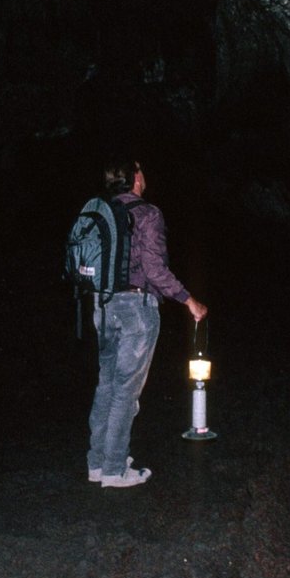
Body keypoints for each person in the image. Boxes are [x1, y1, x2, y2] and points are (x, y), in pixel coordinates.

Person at [87, 157, 207, 488]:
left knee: (107, 385)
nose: (144, 174)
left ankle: (97, 463)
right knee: (126, 391)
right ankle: (114, 469)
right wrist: (188, 300)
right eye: (141, 169)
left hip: (102, 304)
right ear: (135, 178)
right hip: (135, 309)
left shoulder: (101, 213)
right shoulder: (147, 213)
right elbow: (154, 270)